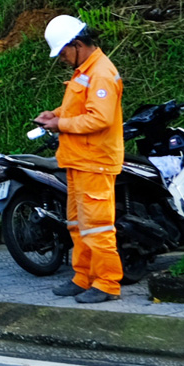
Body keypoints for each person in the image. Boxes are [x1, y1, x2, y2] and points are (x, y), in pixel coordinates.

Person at [34, 15, 124, 304]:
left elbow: (99, 118)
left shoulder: (101, 73)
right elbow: (78, 107)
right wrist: (56, 114)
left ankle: (107, 283)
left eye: (62, 52)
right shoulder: (86, 70)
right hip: (79, 161)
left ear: (77, 44)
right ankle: (83, 278)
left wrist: (60, 125)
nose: (61, 58)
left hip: (94, 162)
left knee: (97, 227)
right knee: (78, 225)